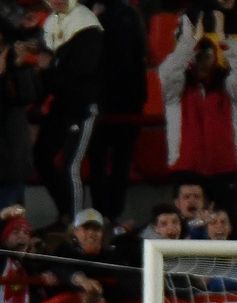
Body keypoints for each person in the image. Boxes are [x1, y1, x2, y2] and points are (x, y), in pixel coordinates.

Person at [158, 17, 237, 222]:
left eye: (208, 54)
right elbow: (167, 72)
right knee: (185, 225)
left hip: (224, 169)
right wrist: (188, 41)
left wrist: (223, 39)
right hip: (186, 169)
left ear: (215, 56)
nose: (203, 59)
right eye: (199, 55)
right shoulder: (176, 88)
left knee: (227, 224)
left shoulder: (228, 87)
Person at [33, 0, 103, 224]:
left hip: (80, 107)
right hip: (60, 106)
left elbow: (77, 75)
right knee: (41, 156)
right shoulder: (51, 23)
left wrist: (48, 68)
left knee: (71, 165)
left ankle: (76, 225)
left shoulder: (87, 27)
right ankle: (65, 214)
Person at [84, 0, 145, 223]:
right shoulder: (82, 11)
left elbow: (138, 55)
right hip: (94, 101)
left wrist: (140, 98)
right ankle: (98, 214)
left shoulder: (129, 13)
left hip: (127, 102)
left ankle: (114, 214)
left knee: (122, 162)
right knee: (96, 163)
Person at [0, 35, 42, 209]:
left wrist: (19, 66)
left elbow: (29, 95)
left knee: (12, 225)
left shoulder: (15, 69)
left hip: (9, 162)